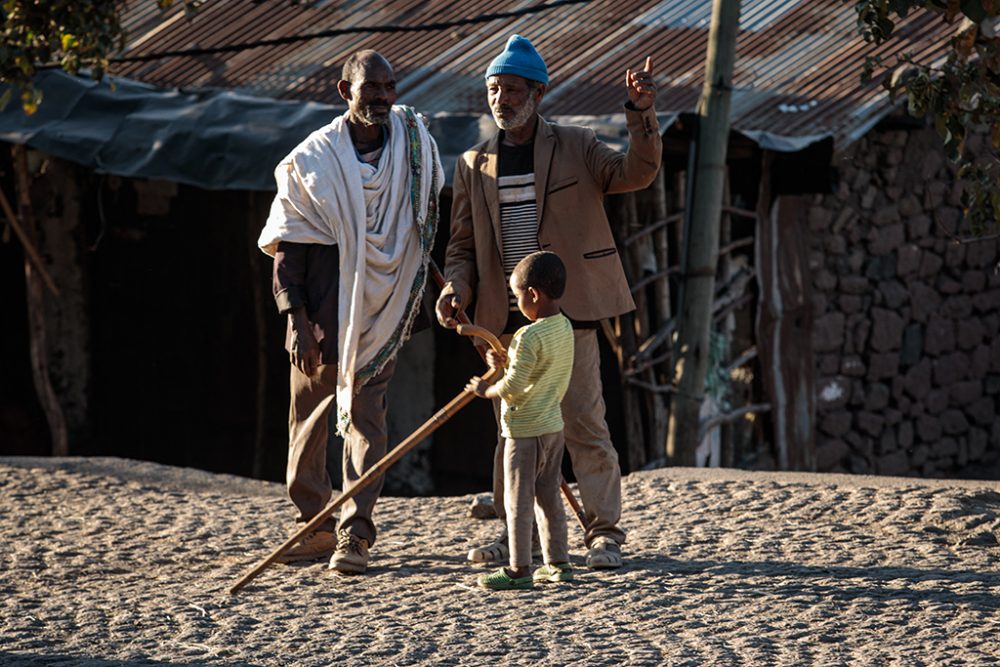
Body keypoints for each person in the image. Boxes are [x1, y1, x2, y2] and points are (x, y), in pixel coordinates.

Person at [436, 34, 661, 569]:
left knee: (582, 422)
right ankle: (517, 537)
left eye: (512, 90)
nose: (502, 99)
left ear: (538, 94)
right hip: (502, 322)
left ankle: (604, 531)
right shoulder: (472, 164)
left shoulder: (578, 145)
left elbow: (637, 172)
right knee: (516, 430)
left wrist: (641, 113)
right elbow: (462, 246)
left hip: (567, 315)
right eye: (494, 89)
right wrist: (455, 289)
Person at [258, 50, 442, 575]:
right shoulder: (312, 161)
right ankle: (314, 524)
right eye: (370, 89)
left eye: (389, 86)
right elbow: (287, 250)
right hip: (319, 317)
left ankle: (355, 534)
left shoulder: (415, 151)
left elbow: (420, 231)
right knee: (309, 424)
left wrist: (440, 290)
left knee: (367, 425)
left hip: (381, 313)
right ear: (346, 93)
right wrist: (295, 320)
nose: (382, 97)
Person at [466, 251, 575, 591]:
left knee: (518, 502)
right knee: (548, 497)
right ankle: (558, 563)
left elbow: (514, 385)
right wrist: (507, 357)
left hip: (524, 431)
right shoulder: (564, 325)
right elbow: (535, 366)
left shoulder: (529, 336)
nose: (517, 304)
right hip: (553, 426)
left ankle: (518, 569)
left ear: (533, 294)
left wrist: (487, 390)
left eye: (516, 297)